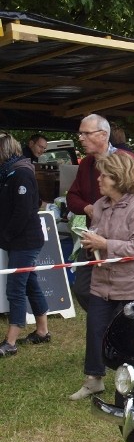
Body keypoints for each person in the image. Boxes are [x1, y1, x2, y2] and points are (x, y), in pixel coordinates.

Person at [69, 152, 134, 400]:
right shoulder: (99, 205)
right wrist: (90, 241)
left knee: (131, 336)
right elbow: (99, 237)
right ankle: (93, 380)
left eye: (104, 175)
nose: (99, 180)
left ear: (118, 178)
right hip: (102, 283)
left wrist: (104, 243)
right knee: (95, 329)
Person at [66, 113, 134, 311]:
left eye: (86, 133)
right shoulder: (86, 164)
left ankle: (117, 324)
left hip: (125, 241)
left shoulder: (126, 160)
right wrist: (88, 208)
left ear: (103, 135)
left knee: (126, 297)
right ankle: (104, 318)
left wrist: (126, 208)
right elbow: (72, 197)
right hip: (94, 241)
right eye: (80, 133)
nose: (81, 138)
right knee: (83, 289)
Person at [0, 134, 50, 357]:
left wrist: (6, 236)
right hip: (18, 240)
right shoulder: (9, 173)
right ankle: (42, 331)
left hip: (25, 241)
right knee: (30, 284)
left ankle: (10, 342)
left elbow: (22, 212)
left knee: (15, 289)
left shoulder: (20, 173)